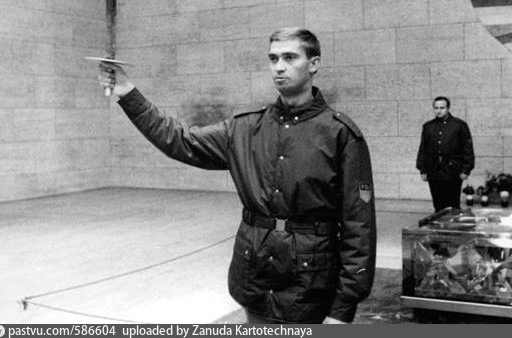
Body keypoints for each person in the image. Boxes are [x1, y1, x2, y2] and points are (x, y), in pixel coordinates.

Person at [98, 28, 376, 324]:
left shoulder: (340, 135)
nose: (279, 67)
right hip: (255, 280)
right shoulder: (245, 128)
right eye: (273, 59)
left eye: (290, 57)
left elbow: (359, 227)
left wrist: (342, 308)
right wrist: (127, 92)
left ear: (314, 64)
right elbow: (179, 140)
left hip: (311, 289)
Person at [416, 97, 475, 212]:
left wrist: (466, 170)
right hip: (433, 171)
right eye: (436, 108)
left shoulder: (459, 125)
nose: (439, 111)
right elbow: (423, 149)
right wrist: (422, 169)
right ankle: (439, 222)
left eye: (442, 108)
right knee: (438, 204)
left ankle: (452, 223)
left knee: (453, 205)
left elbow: (467, 149)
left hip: (453, 170)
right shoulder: (428, 126)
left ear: (448, 108)